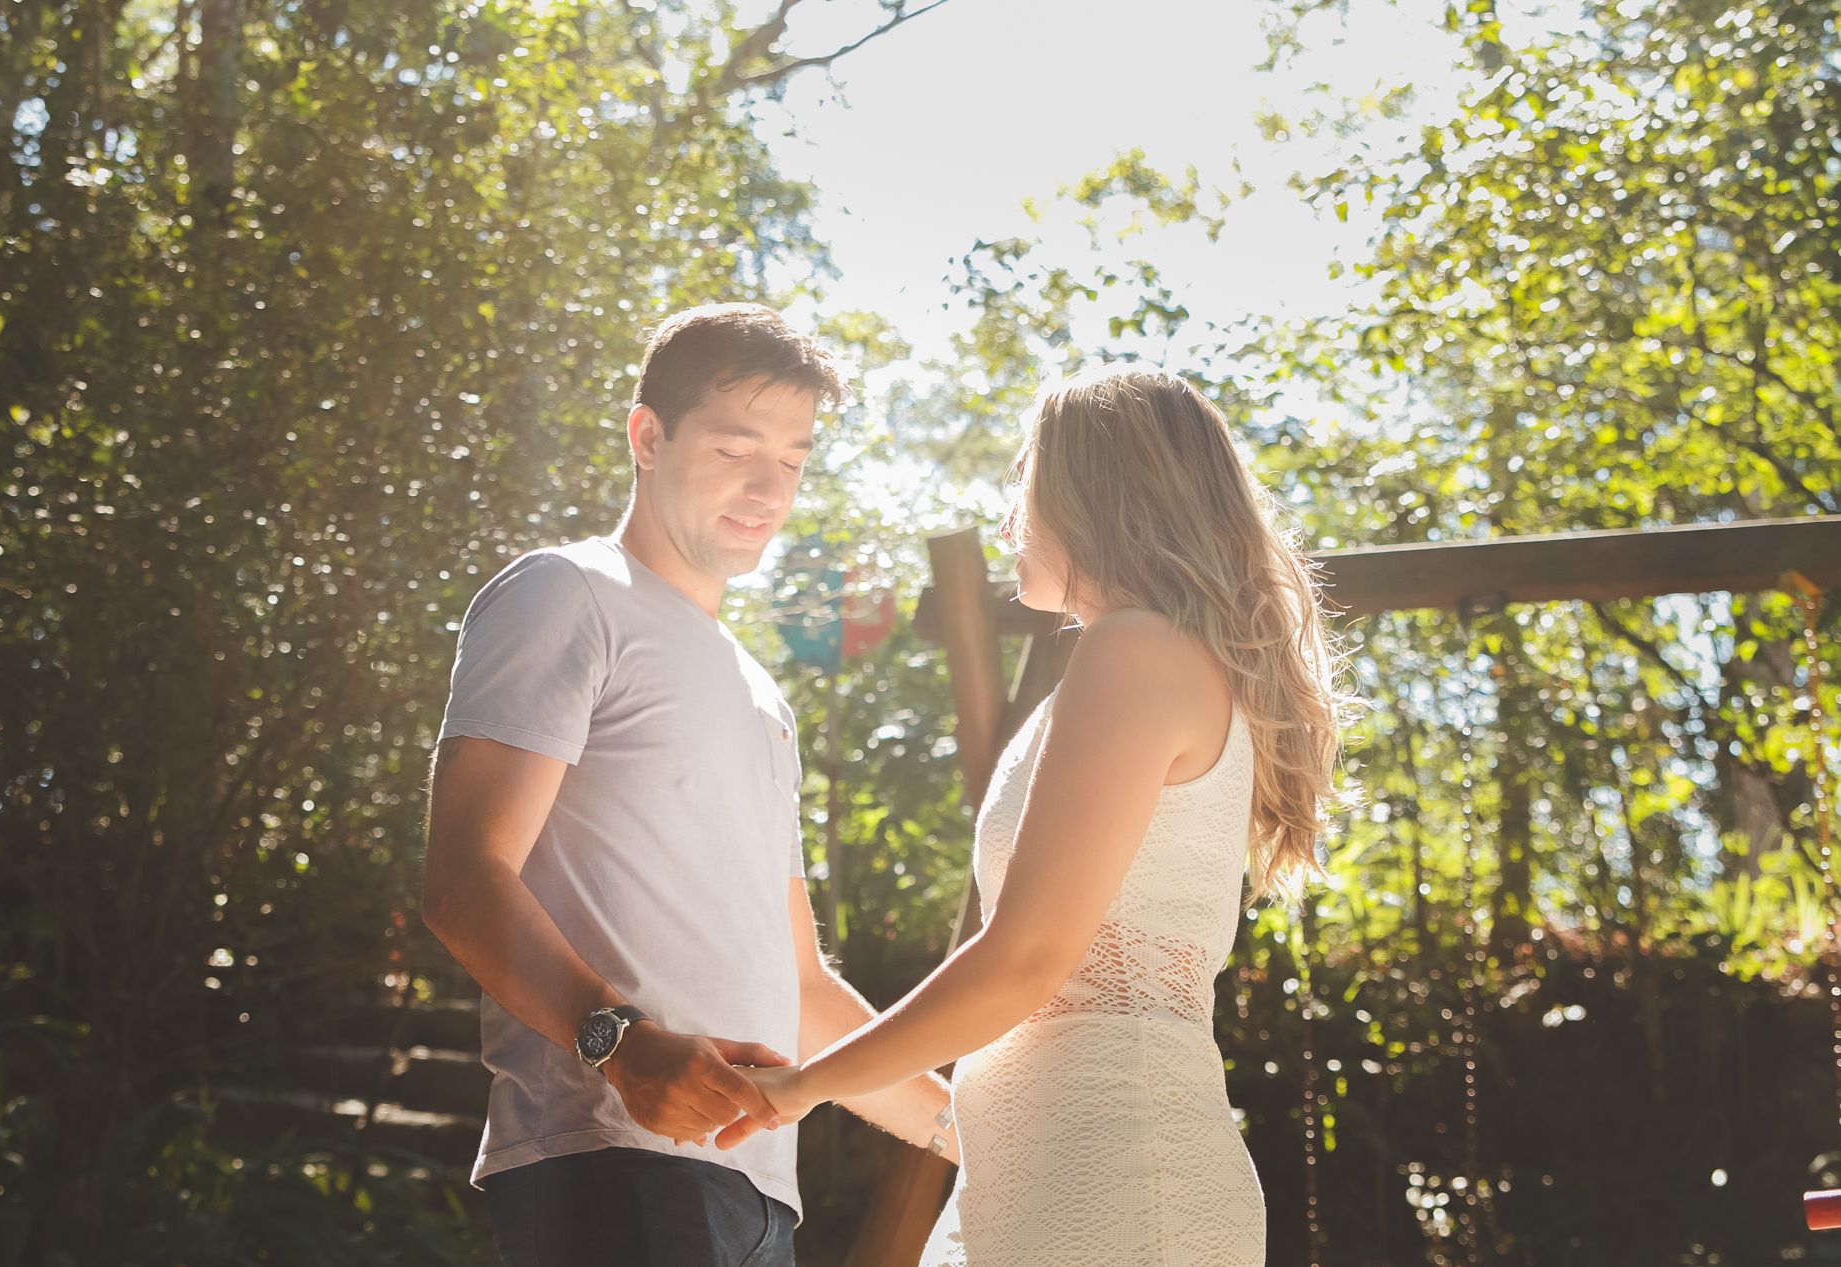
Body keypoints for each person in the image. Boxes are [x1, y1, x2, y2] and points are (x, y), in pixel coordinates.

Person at [717, 363, 1351, 1266]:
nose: (1012, 514)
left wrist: (804, 1084)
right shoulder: (1144, 658)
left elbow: (1027, 957)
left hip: (1115, 1174)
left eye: (1025, 480)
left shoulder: (1135, 649)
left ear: (1093, 495)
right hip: (1041, 1167)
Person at [422, 303, 958, 1267]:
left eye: (792, 459)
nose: (767, 487)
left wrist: (971, 1133)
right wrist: (619, 1047)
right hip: (609, 1164)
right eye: (735, 447)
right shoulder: (566, 592)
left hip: (756, 1191)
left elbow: (801, 989)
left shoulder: (760, 691)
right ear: (647, 435)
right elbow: (463, 878)